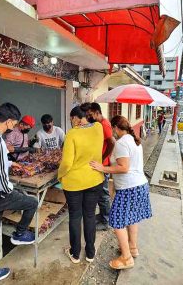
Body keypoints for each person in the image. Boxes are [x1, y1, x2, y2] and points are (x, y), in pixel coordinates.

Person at [0, 103, 38, 285]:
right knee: (32, 202)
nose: (14, 126)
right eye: (14, 123)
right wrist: (11, 189)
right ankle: (19, 234)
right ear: (9, 121)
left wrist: (11, 164)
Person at [90, 115, 152, 270]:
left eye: (112, 128)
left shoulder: (122, 143)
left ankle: (126, 258)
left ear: (116, 128)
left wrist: (102, 168)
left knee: (117, 221)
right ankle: (132, 248)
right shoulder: (134, 139)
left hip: (129, 188)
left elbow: (123, 167)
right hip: (140, 186)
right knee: (132, 218)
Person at [58, 106, 104, 264]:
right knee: (90, 215)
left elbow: (66, 163)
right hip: (95, 179)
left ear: (76, 118)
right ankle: (90, 253)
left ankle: (75, 254)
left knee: (75, 217)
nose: (71, 122)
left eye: (71, 119)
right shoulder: (98, 127)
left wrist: (60, 175)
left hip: (74, 183)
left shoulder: (72, 134)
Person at [85, 102, 115, 231]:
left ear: (97, 112)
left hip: (103, 165)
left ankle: (106, 220)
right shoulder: (98, 124)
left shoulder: (104, 125)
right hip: (99, 165)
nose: (89, 117)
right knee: (99, 192)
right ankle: (103, 215)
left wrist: (103, 158)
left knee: (103, 194)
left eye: (90, 115)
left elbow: (112, 142)